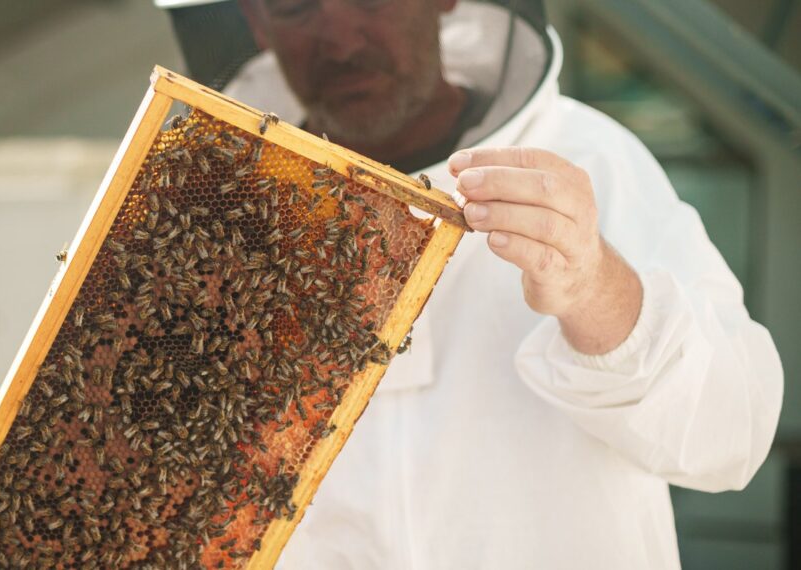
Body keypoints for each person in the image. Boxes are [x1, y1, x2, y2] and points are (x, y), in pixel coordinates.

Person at [156, 0, 784, 567]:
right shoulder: (221, 213)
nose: (341, 36)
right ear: (257, 22)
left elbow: (733, 437)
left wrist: (596, 289)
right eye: (296, 7)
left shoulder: (588, 156)